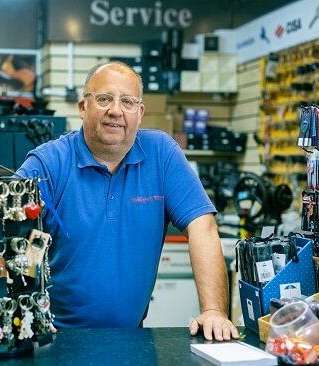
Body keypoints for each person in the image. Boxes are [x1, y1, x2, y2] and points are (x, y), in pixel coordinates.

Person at [16, 61, 238, 341]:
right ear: (83, 107)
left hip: (132, 339)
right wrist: (26, 312)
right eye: (104, 99)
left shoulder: (162, 153)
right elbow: (6, 235)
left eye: (127, 102)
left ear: (140, 112)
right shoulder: (49, 162)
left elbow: (202, 227)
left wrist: (215, 310)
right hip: (55, 339)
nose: (116, 111)